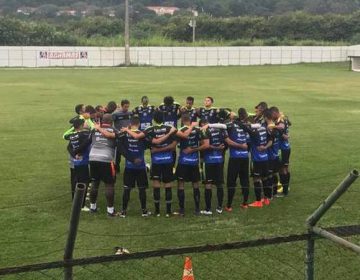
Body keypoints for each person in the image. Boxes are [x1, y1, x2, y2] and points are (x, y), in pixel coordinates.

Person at [123, 111, 177, 217]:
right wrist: (169, 135)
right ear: (164, 118)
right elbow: (173, 145)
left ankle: (157, 212)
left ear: (153, 119)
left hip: (156, 161)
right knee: (168, 184)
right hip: (168, 160)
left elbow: (137, 136)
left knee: (156, 183)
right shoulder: (170, 128)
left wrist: (126, 130)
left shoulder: (150, 129)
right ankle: (168, 212)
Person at [97, 116, 151, 217]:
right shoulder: (143, 134)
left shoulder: (124, 134)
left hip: (129, 166)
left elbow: (121, 149)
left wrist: (130, 159)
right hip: (140, 166)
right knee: (142, 189)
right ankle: (144, 211)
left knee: (127, 189)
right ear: (139, 124)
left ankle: (123, 211)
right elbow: (149, 144)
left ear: (130, 124)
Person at [89, 114, 136, 217]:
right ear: (111, 121)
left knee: (95, 182)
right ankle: (110, 210)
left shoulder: (94, 129)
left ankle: (92, 207)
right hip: (106, 159)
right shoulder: (114, 130)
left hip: (92, 158)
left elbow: (88, 142)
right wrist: (131, 158)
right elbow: (120, 147)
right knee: (109, 184)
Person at [175, 114, 209, 216]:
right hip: (194, 162)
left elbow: (175, 143)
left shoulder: (179, 130)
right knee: (195, 185)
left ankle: (181, 210)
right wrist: (195, 149)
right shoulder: (198, 130)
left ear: (182, 121)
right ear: (190, 120)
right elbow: (206, 145)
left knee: (181, 184)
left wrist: (189, 150)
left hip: (183, 162)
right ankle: (197, 209)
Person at [223, 108, 250, 211]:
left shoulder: (230, 125)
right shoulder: (246, 126)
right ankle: (245, 203)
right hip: (245, 157)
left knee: (231, 181)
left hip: (235, 158)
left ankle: (229, 206)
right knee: (245, 180)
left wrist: (239, 145)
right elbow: (247, 141)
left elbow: (228, 141)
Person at [63, 117, 92, 211]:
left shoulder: (72, 136)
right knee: (84, 182)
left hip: (76, 162)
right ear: (81, 125)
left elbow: (69, 147)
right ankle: (81, 205)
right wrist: (78, 151)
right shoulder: (84, 134)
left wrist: (74, 154)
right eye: (84, 123)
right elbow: (87, 141)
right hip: (83, 162)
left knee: (77, 181)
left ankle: (76, 201)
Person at [200, 119, 227, 215]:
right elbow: (225, 144)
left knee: (208, 184)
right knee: (219, 184)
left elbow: (206, 146)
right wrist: (220, 149)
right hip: (219, 160)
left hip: (208, 161)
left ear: (203, 124)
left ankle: (208, 209)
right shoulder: (221, 131)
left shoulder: (204, 131)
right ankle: (219, 207)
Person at [272, 107, 292, 196]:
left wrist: (273, 126)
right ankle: (286, 187)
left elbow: (282, 127)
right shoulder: (283, 118)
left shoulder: (281, 120)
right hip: (286, 147)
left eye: (273, 114)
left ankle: (284, 191)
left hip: (283, 148)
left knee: (282, 169)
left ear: (276, 113)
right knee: (285, 168)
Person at [112, 99, 133, 173]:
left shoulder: (130, 113)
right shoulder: (116, 114)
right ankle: (116, 169)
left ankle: (130, 167)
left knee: (128, 151)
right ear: (121, 106)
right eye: (125, 107)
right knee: (118, 154)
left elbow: (131, 124)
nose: (126, 108)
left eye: (128, 107)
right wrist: (117, 132)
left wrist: (129, 129)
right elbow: (111, 125)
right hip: (119, 137)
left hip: (127, 136)